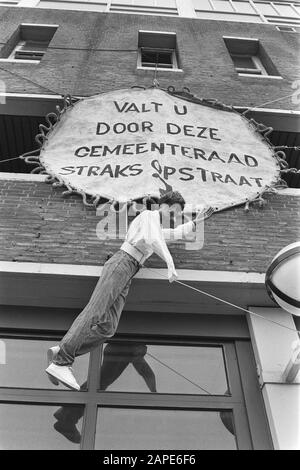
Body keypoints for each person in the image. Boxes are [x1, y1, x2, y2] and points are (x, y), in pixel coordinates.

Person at [45, 190, 205, 391]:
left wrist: (195, 222)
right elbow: (153, 239)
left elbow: (172, 235)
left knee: (107, 328)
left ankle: (63, 349)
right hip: (122, 262)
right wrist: (170, 265)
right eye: (175, 212)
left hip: (129, 270)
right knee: (96, 310)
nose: (174, 217)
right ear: (168, 206)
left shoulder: (154, 225)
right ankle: (62, 361)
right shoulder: (149, 216)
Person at [53, 341, 156, 443]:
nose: (144, 352)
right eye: (143, 349)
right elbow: (146, 372)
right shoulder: (132, 349)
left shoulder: (133, 349)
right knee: (98, 384)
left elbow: (146, 372)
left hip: (117, 347)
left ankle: (66, 414)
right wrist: (154, 392)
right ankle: (67, 417)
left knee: (98, 383)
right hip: (119, 347)